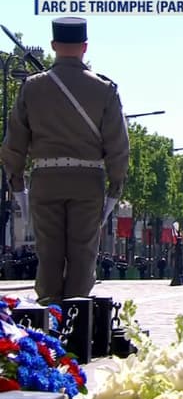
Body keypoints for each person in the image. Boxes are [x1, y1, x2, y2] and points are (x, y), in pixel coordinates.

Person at [1, 17, 129, 306]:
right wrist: (115, 188)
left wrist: (18, 184)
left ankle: (50, 319)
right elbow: (118, 146)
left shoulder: (31, 88)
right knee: (83, 253)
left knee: (49, 253)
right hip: (88, 182)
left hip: (46, 181)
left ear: (53, 45)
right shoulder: (104, 89)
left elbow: (14, 144)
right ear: (85, 47)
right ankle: (78, 319)